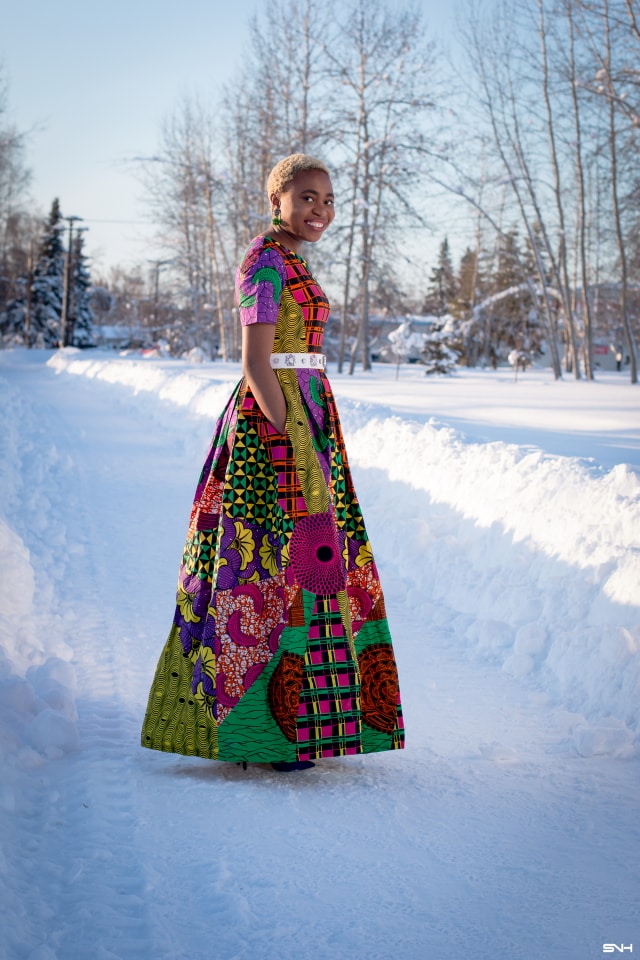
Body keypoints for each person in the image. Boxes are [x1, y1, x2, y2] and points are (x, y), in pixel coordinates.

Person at [141, 154, 404, 772]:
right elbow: (256, 363)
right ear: (277, 199)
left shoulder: (292, 261)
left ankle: (304, 722)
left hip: (307, 416)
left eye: (329, 200)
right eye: (308, 197)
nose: (321, 210)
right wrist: (290, 437)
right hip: (274, 428)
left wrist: (314, 431)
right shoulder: (263, 261)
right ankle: (260, 733)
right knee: (267, 570)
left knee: (310, 566)